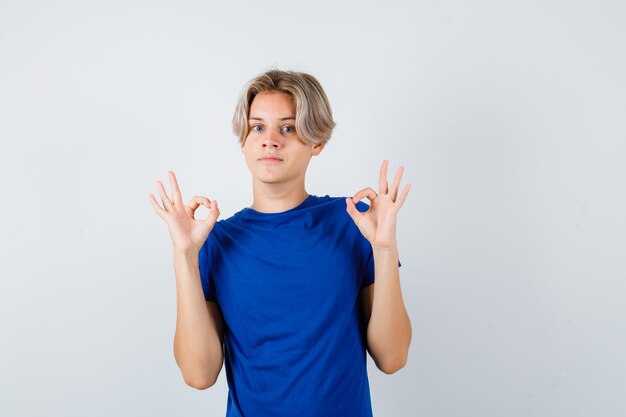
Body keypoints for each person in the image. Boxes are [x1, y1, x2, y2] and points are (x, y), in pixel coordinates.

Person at [149, 69, 412, 416]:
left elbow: (392, 358)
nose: (269, 140)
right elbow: (198, 374)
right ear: (243, 139)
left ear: (316, 142)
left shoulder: (354, 223)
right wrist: (184, 255)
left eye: (287, 128)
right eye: (257, 127)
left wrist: (384, 248)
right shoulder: (217, 242)